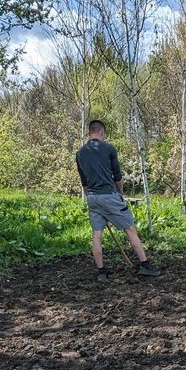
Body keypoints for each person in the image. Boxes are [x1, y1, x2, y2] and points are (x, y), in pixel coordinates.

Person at [76, 119, 160, 281]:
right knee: (130, 229)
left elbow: (84, 183)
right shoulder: (109, 149)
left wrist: (93, 199)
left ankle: (101, 272)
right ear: (102, 133)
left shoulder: (80, 154)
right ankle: (145, 265)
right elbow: (118, 177)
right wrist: (120, 194)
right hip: (110, 195)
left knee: (96, 235)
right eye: (104, 134)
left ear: (89, 133)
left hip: (92, 197)